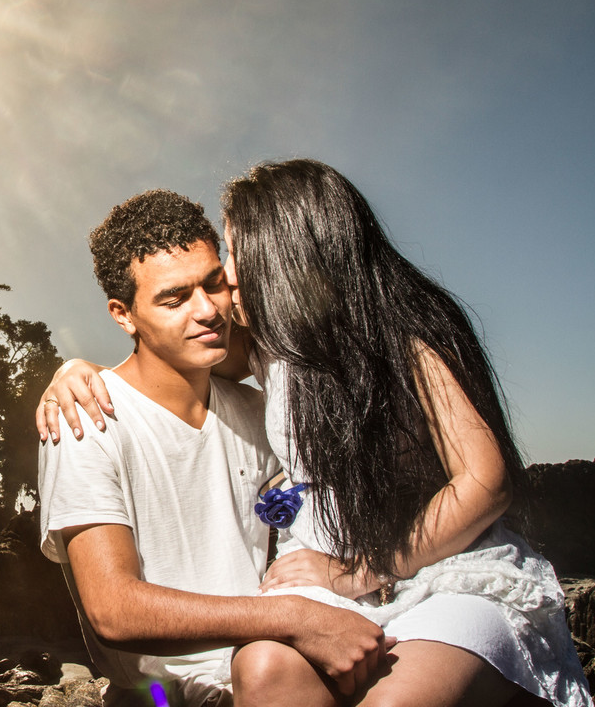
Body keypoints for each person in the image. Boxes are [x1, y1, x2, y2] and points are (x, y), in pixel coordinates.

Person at [39, 159, 591, 707]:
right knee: (263, 665)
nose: (220, 292)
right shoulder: (247, 349)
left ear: (287, 251)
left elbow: (485, 481)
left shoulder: (392, 339)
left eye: (228, 264)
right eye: (181, 293)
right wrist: (71, 370)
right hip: (304, 596)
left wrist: (359, 573)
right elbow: (165, 367)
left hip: (411, 567)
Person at [37, 188, 394, 707]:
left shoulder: (259, 414)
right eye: (174, 298)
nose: (208, 310)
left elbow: (306, 530)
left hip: (281, 669)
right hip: (169, 696)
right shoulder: (84, 417)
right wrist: (298, 621)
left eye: (214, 284)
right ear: (123, 314)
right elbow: (113, 610)